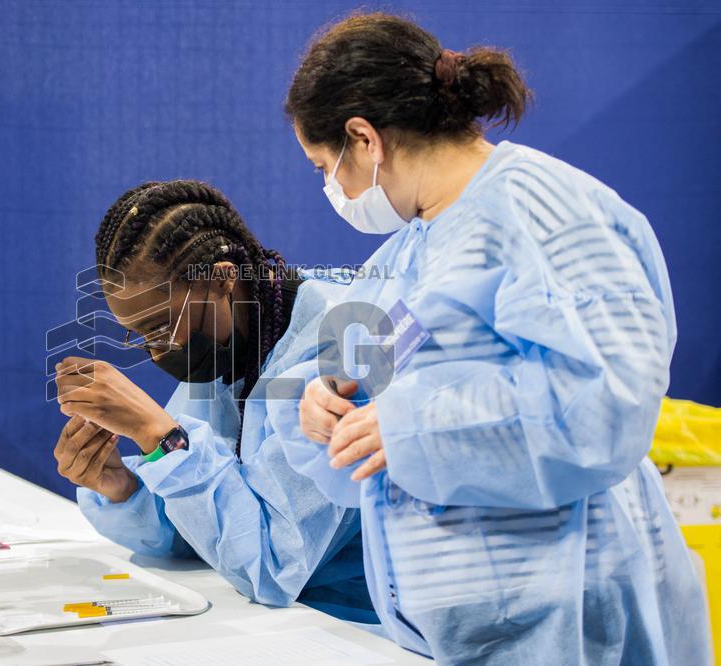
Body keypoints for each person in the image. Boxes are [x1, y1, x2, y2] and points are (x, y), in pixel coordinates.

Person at [274, 11, 711, 665]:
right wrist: (323, 403)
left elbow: (607, 403)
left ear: (364, 138)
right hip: (472, 621)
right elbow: (369, 376)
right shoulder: (412, 249)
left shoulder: (546, 212)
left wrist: (412, 426)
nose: (331, 188)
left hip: (569, 611)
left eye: (324, 167)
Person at [51, 180, 378, 624]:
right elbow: (203, 530)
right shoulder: (232, 342)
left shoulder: (337, 350)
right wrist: (123, 487)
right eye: (138, 335)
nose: (156, 352)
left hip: (361, 631)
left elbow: (274, 566)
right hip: (288, 624)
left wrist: (161, 437)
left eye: (161, 327)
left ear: (223, 278)